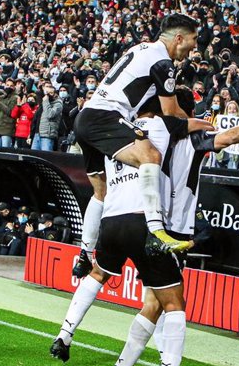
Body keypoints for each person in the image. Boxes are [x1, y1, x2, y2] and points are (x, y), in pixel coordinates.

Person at [51, 86, 239, 366]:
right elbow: (227, 136)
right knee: (172, 303)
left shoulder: (130, 134)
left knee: (151, 302)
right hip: (168, 228)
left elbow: (99, 185)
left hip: (124, 219)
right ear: (183, 112)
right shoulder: (186, 134)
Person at [70, 14, 211, 279]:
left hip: (86, 117)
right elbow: (170, 110)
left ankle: (85, 255)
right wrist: (195, 120)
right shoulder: (163, 61)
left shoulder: (141, 48)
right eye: (193, 39)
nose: (195, 46)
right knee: (151, 155)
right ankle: (156, 231)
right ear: (179, 38)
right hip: (106, 117)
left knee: (101, 192)